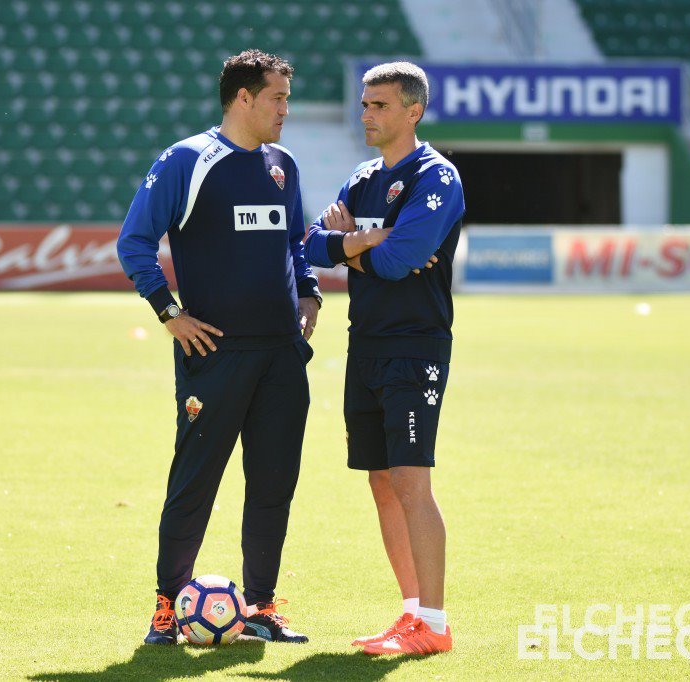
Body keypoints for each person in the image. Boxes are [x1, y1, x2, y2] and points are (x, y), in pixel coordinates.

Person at [117, 49, 321, 645]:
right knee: (196, 481)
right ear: (244, 98)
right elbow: (133, 242)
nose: (287, 108)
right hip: (216, 355)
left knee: (274, 483)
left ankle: (261, 606)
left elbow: (295, 243)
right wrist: (170, 312)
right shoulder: (188, 159)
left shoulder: (283, 164)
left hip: (283, 355)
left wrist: (309, 294)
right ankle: (165, 608)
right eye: (278, 97)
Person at [304, 62, 465, 655]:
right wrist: (366, 243)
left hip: (415, 345)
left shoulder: (436, 177)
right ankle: (410, 613)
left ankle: (436, 624)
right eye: (364, 104)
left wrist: (355, 247)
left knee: (410, 480)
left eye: (378, 105)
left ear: (412, 111)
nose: (366, 114)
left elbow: (402, 261)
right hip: (365, 341)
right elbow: (310, 243)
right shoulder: (364, 176)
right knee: (379, 479)